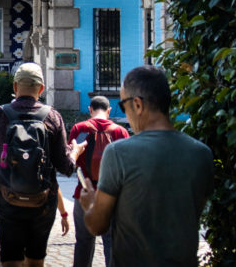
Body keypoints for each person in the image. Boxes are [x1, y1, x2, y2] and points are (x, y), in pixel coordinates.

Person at [79, 65, 214, 266]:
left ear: (138, 105)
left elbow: (98, 225)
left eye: (123, 106)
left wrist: (90, 203)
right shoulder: (202, 153)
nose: (125, 112)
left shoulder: (118, 153)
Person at [0, 62, 84, 267]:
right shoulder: (52, 116)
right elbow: (65, 166)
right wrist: (75, 152)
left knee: (10, 259)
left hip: (8, 200)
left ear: (15, 87)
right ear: (41, 88)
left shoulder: (0, 115)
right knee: (36, 260)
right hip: (43, 203)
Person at [67, 95, 129, 267]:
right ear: (109, 110)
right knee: (111, 242)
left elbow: (71, 161)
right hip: (111, 196)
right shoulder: (120, 131)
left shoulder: (79, 129)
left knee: (83, 243)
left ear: (90, 109)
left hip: (84, 194)